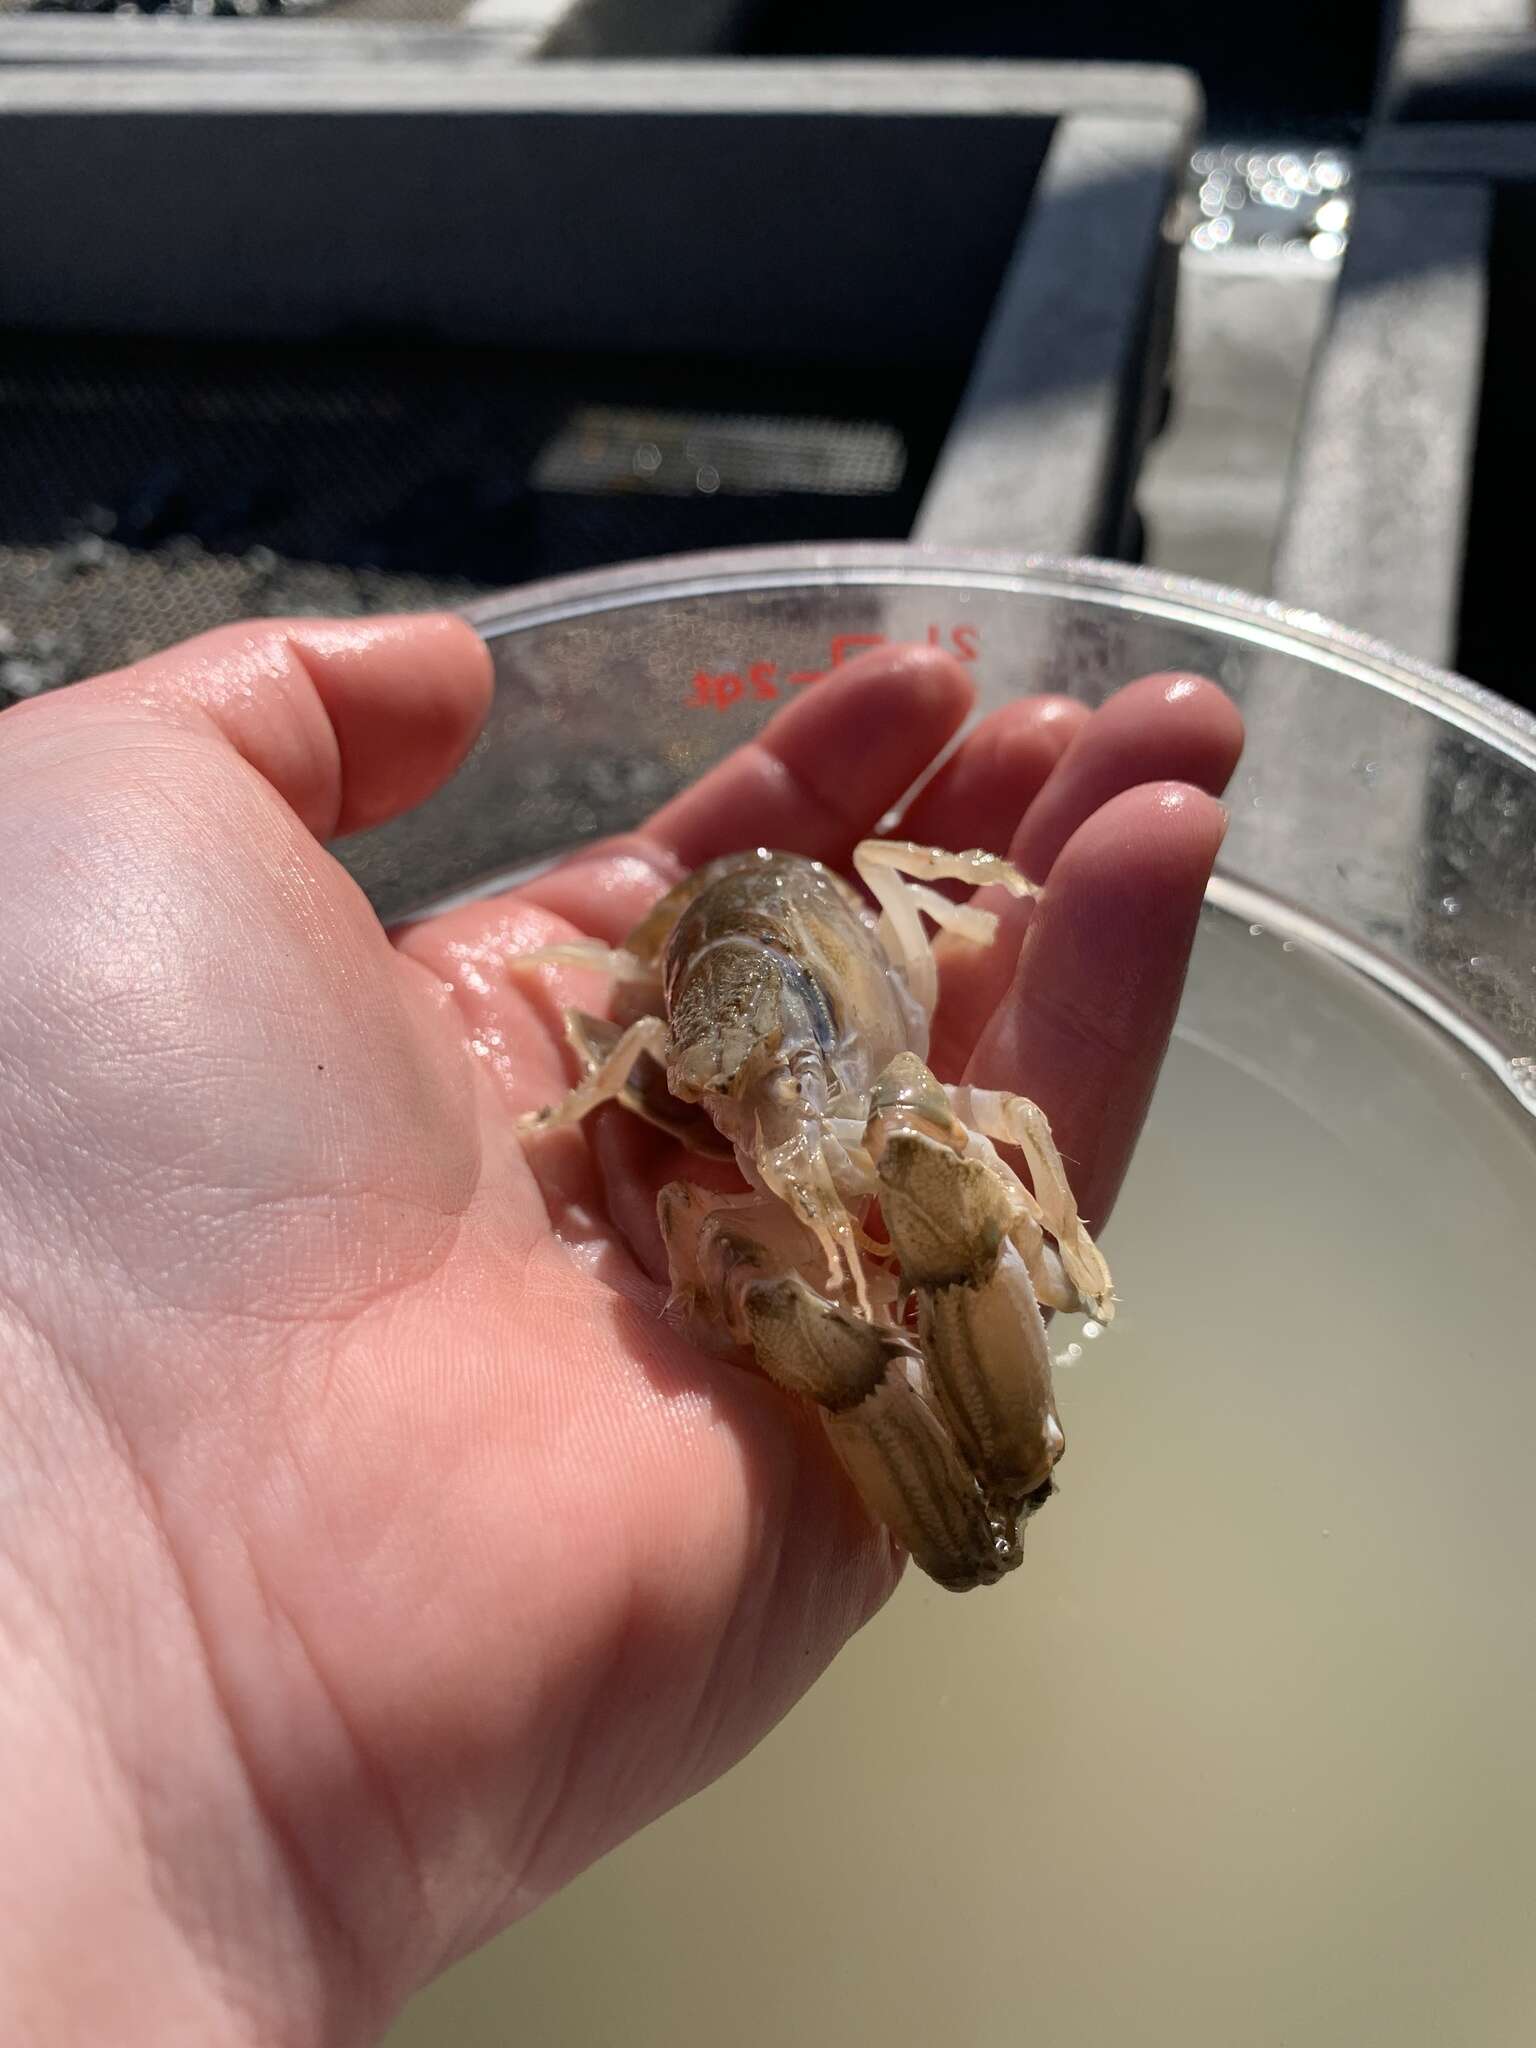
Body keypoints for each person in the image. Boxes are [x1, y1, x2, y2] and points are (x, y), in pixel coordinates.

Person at [0, 612, 1242, 2044]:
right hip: (717, 971)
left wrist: (1042, 1220)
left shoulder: (882, 1043)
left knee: (956, 1147)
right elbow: (687, 1147)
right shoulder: (710, 1105)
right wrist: (656, 1181)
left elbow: (996, 1111)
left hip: (812, 958)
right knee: (781, 1227)